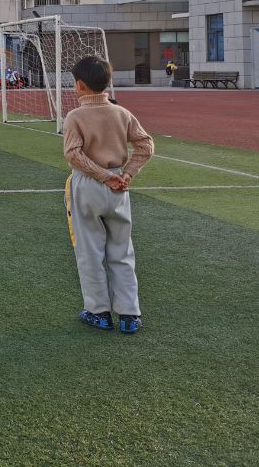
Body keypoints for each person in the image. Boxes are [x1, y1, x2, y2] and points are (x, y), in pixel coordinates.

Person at [63, 56, 154, 335]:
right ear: (108, 82)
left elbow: (73, 155)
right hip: (119, 187)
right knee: (122, 249)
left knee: (89, 250)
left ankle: (98, 311)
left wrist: (102, 176)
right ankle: (129, 315)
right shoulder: (122, 113)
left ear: (79, 84)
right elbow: (146, 145)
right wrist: (126, 174)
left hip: (88, 185)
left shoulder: (75, 116)